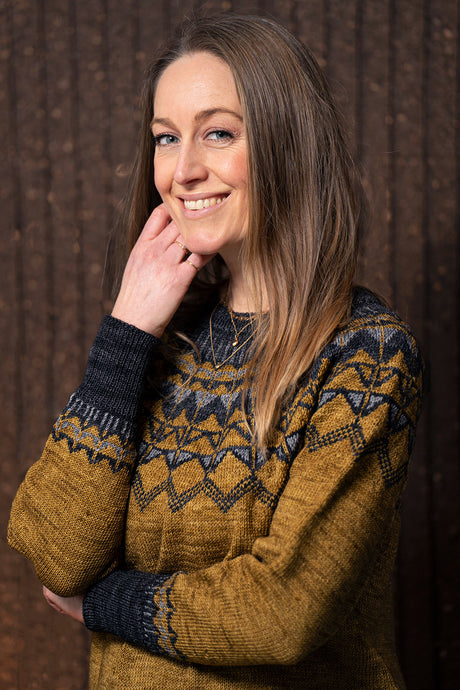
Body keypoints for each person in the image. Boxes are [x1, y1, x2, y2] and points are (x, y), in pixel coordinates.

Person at [8, 13, 424, 690]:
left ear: (289, 145)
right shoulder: (155, 338)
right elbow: (57, 555)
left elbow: (284, 609)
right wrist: (126, 332)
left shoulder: (367, 355)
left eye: (219, 133)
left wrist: (104, 605)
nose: (184, 171)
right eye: (166, 138)